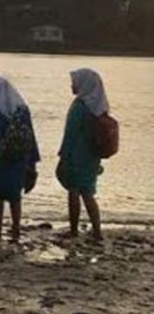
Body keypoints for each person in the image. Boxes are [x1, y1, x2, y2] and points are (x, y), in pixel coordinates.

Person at [0, 77, 40, 242]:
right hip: (18, 159)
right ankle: (15, 228)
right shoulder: (22, 109)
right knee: (15, 196)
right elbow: (30, 136)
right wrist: (32, 161)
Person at [57, 68, 109, 241]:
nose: (72, 85)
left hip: (76, 156)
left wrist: (63, 156)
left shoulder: (79, 106)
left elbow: (70, 134)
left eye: (75, 82)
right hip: (93, 157)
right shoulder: (99, 106)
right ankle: (97, 231)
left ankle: (73, 230)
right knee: (88, 194)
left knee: (73, 192)